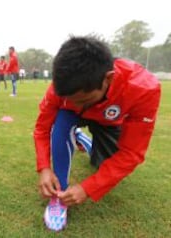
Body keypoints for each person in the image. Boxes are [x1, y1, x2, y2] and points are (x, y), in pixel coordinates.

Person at [34, 36, 161, 231]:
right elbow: (43, 128)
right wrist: (44, 167)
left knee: (104, 166)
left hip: (108, 122)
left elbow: (131, 153)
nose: (75, 103)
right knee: (62, 120)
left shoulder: (144, 88)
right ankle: (59, 195)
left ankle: (82, 139)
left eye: (82, 99)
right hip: (71, 118)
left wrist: (88, 188)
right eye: (70, 98)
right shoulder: (60, 91)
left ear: (108, 79)